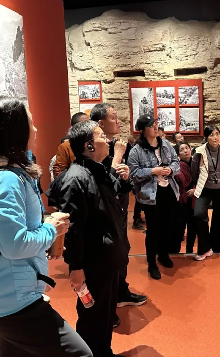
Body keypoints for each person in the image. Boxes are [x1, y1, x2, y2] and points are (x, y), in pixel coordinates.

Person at [0, 95, 91, 357]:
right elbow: (15, 244)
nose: (35, 129)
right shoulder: (4, 180)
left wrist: (44, 230)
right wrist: (51, 229)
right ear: (14, 130)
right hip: (12, 301)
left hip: (8, 296)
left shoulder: (7, 173)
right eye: (29, 123)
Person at [59, 120, 131, 357]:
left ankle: (104, 352)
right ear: (88, 145)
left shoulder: (97, 170)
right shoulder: (76, 178)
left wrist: (124, 179)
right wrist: (76, 267)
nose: (108, 140)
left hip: (107, 259)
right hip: (94, 262)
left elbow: (112, 195)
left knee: (106, 314)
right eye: (101, 136)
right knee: (93, 318)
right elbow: (73, 229)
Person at [90, 103, 147, 315]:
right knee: (107, 260)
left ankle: (120, 292)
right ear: (100, 123)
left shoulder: (115, 146)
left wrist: (124, 175)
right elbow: (101, 185)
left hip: (119, 211)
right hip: (103, 216)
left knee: (122, 253)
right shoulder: (93, 151)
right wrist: (116, 159)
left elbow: (119, 183)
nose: (118, 121)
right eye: (113, 117)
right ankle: (108, 306)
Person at [128, 115, 180, 280]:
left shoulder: (165, 144)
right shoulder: (136, 151)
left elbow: (176, 162)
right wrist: (153, 171)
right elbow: (133, 174)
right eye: (151, 126)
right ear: (143, 131)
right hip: (150, 194)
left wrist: (170, 170)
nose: (155, 127)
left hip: (169, 190)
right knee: (153, 229)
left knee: (167, 226)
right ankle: (151, 263)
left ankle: (163, 254)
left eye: (156, 124)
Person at [191, 126, 220, 261]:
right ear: (206, 137)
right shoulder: (199, 152)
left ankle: (214, 247)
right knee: (198, 215)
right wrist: (197, 185)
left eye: (217, 134)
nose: (215, 137)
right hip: (205, 188)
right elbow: (194, 171)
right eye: (212, 135)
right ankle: (204, 248)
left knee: (218, 218)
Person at [174, 141, 196, 254]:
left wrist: (195, 189)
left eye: (187, 148)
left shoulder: (197, 163)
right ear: (178, 154)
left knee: (193, 227)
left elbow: (202, 178)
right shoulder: (178, 165)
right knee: (179, 227)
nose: (185, 151)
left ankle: (189, 250)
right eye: (182, 150)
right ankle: (175, 252)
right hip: (182, 200)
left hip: (195, 199)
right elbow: (183, 182)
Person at [52, 112, 89, 179]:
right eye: (85, 124)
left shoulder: (94, 143)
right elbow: (58, 172)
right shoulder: (65, 146)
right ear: (76, 127)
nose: (90, 126)